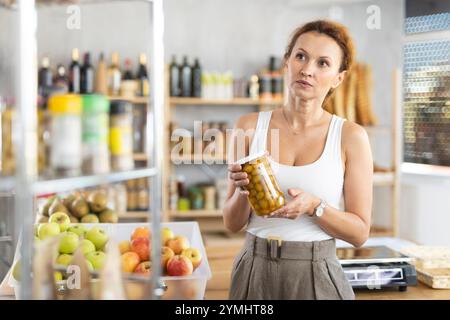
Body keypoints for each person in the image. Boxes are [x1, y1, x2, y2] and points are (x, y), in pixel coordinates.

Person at [223, 20, 373, 300]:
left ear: (338, 78)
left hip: (317, 273)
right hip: (254, 269)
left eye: (323, 63)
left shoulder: (351, 136)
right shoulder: (247, 126)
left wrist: (315, 206)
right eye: (300, 56)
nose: (307, 69)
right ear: (286, 62)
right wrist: (245, 191)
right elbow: (232, 223)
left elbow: (360, 233)